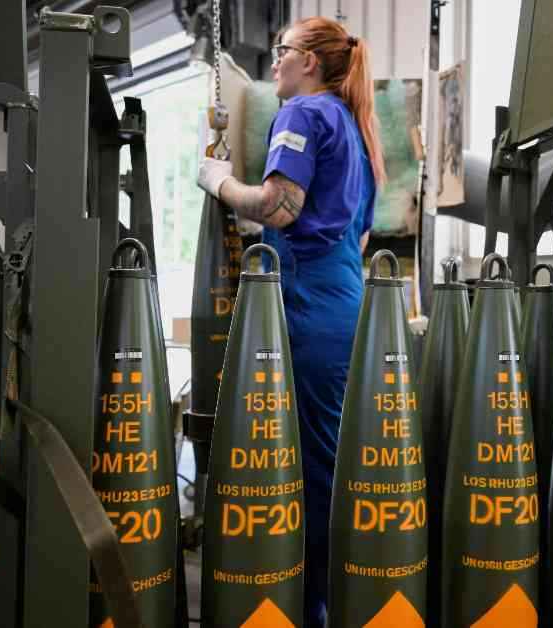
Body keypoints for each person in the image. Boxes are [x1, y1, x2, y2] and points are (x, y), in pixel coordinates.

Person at [197, 16, 385, 627]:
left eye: (283, 51)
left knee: (307, 469)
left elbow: (278, 207)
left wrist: (219, 182)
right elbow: (356, 233)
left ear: (309, 61)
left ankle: (310, 609)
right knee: (330, 458)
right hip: (342, 303)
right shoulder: (354, 126)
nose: (275, 61)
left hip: (306, 308)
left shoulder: (303, 113)